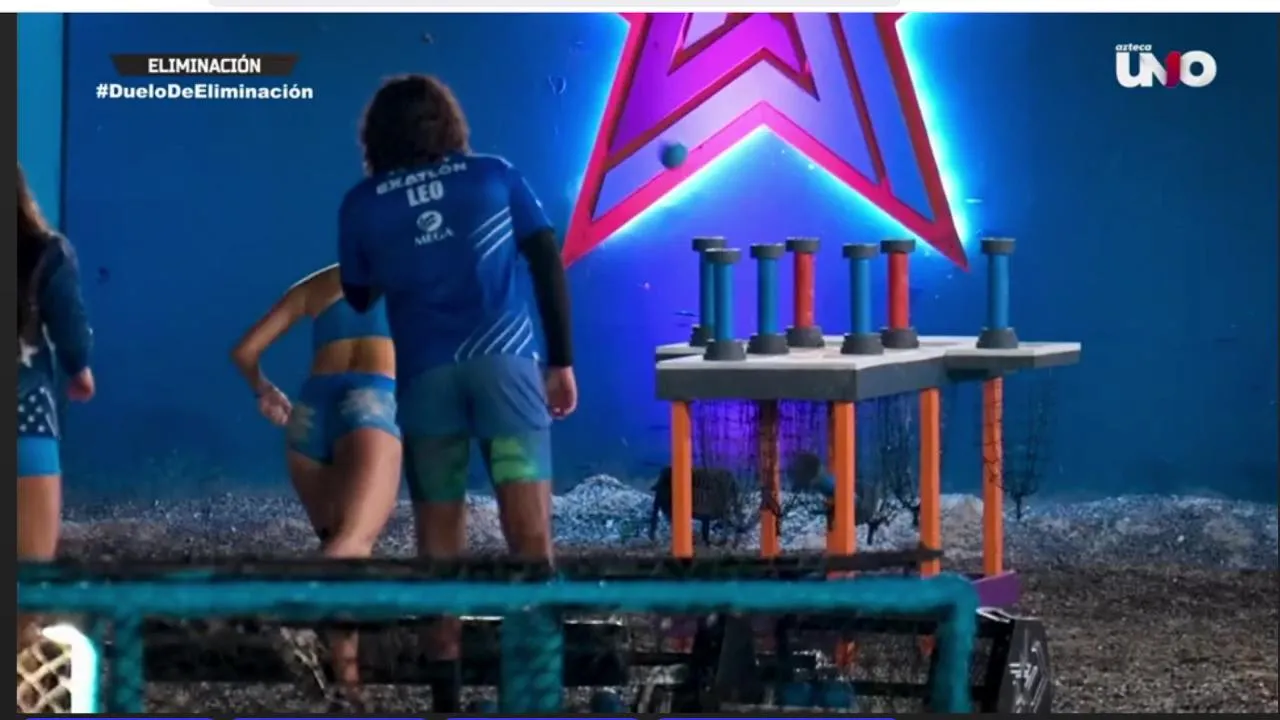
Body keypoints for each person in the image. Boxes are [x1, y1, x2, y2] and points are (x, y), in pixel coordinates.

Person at [336, 74, 577, 711]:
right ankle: (535, 691)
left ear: (378, 136)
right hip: (506, 372)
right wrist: (562, 362)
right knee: (530, 537)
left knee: (438, 541)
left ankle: (445, 698)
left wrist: (406, 248)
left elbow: (359, 294)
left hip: (427, 380)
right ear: (447, 123)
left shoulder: (362, 204)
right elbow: (546, 258)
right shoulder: (494, 176)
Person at [230, 264, 401, 698]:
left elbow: (245, 351)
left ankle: (348, 688)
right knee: (354, 543)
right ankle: (287, 609)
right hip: (370, 401)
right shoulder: (410, 273)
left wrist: (264, 390)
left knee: (339, 553)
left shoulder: (316, 285)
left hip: (309, 415)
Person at [16, 163, 95, 650]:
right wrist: (80, 371)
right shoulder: (46, 252)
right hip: (26, 423)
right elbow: (71, 332)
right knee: (30, 584)